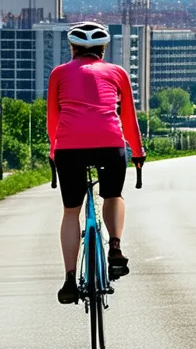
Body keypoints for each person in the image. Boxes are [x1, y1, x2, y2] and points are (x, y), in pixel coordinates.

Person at [48, 21, 145, 305]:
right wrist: (137, 153)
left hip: (69, 148)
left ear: (72, 48)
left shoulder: (59, 74)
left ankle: (69, 278)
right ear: (103, 49)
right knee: (113, 195)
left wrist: (55, 152)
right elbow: (128, 118)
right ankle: (115, 246)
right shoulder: (117, 73)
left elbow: (53, 118)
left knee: (70, 212)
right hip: (110, 144)